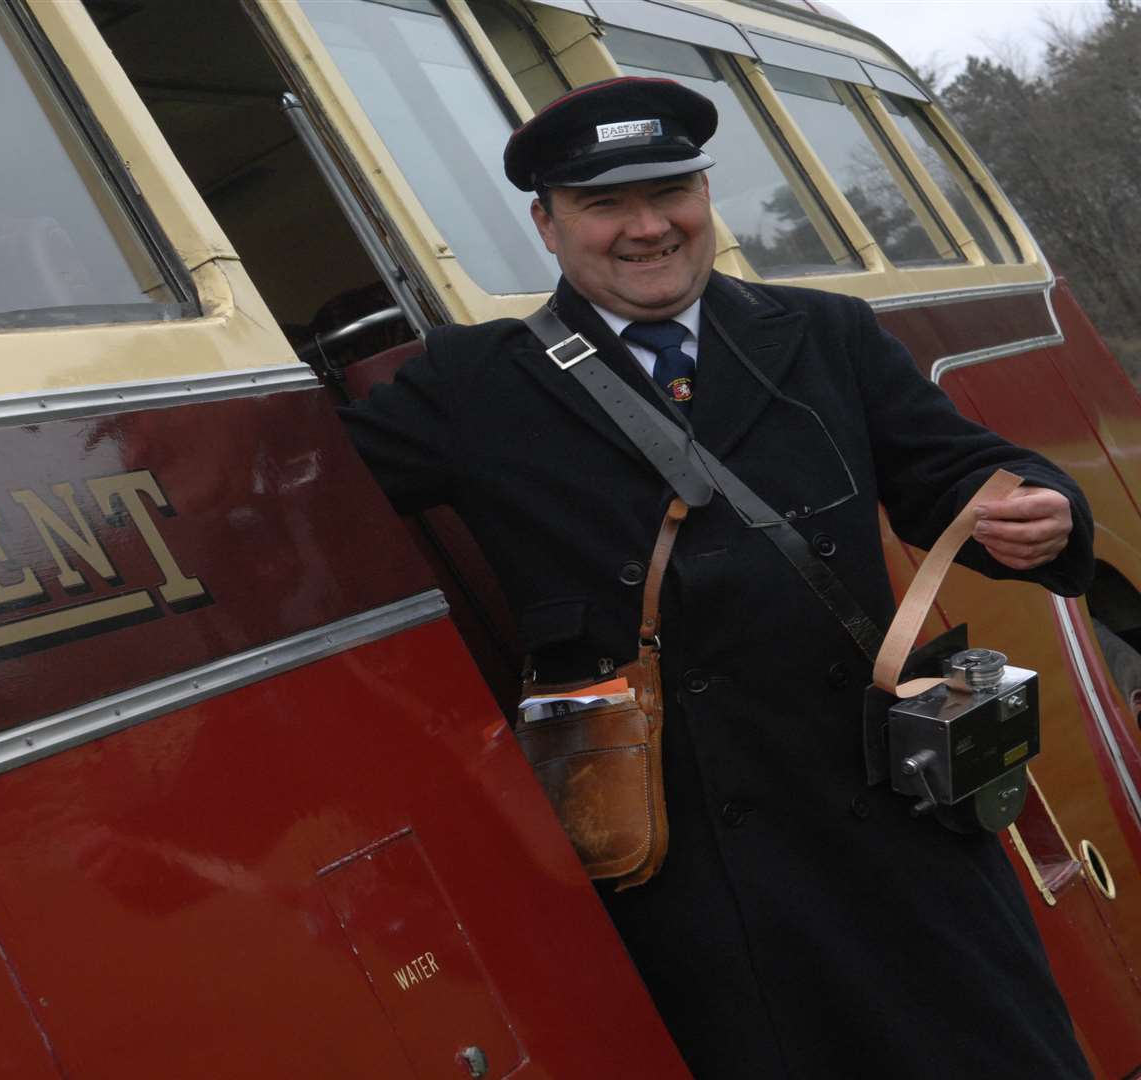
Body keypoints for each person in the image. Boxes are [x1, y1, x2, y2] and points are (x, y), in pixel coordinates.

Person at [342, 76, 1094, 1078]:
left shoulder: (825, 335)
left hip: (901, 832)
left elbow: (956, 472)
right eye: (605, 204)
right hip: (697, 877)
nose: (647, 227)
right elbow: (286, 506)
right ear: (548, 225)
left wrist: (1045, 508)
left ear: (705, 197)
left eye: (671, 194)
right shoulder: (469, 385)